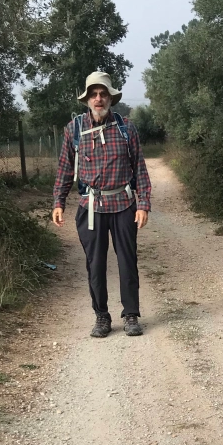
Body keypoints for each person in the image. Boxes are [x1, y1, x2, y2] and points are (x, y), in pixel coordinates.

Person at [52, 71, 152, 337]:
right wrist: (58, 201)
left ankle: (131, 314)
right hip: (91, 207)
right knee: (94, 264)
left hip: (123, 205)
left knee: (127, 263)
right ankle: (102, 316)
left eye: (103, 93)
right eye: (94, 94)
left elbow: (139, 168)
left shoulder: (126, 128)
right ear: (87, 99)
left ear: (110, 98)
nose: (99, 98)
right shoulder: (74, 129)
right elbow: (64, 169)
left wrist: (143, 204)